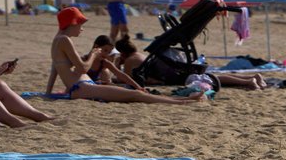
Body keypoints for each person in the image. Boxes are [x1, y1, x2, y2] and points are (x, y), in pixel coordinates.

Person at [50, 7, 204, 103]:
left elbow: (55, 67)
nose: (82, 29)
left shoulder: (57, 41)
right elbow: (83, 68)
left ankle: (181, 99)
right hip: (82, 87)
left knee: (134, 94)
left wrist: (48, 92)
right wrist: (94, 54)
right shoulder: (64, 40)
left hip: (82, 87)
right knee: (135, 95)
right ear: (73, 23)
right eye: (80, 25)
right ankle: (182, 101)